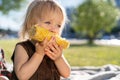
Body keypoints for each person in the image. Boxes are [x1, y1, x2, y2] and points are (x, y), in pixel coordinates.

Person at [11, 0, 71, 80]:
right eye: (48, 22)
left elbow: (66, 74)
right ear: (31, 25)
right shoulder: (22, 48)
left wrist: (58, 59)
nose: (54, 29)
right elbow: (22, 76)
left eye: (58, 25)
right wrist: (38, 54)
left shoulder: (54, 49)